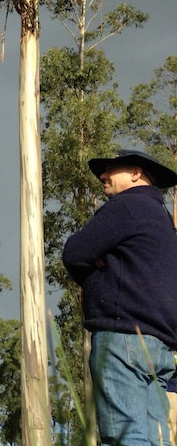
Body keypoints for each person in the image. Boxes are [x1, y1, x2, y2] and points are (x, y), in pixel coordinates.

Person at [63, 149, 177, 446]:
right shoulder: (162, 219)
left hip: (122, 339)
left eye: (111, 169)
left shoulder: (127, 206)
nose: (102, 176)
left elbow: (75, 252)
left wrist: (96, 269)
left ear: (136, 173)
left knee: (124, 436)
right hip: (160, 348)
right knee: (155, 439)